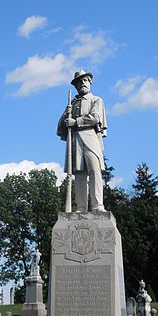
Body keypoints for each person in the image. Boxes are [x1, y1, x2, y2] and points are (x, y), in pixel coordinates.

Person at [57, 70, 107, 213]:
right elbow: (60, 126)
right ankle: (81, 207)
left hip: (91, 139)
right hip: (76, 141)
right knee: (79, 174)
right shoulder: (72, 104)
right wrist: (66, 116)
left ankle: (98, 206)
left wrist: (75, 121)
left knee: (94, 171)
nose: (82, 84)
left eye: (84, 80)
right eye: (79, 82)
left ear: (90, 82)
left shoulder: (96, 100)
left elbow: (95, 117)